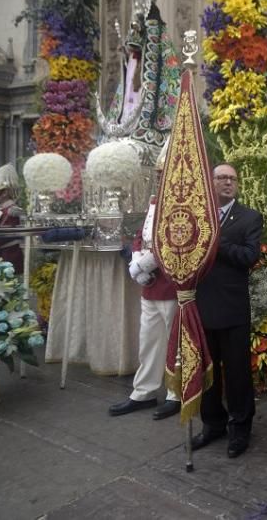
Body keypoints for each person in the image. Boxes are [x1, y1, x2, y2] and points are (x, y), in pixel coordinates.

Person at [190, 163, 264, 459]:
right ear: (211, 181)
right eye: (221, 177)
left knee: (237, 374)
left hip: (233, 309)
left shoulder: (249, 217)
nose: (227, 182)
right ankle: (213, 423)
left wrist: (215, 242)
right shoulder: (198, 216)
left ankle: (240, 427)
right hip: (202, 305)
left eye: (232, 178)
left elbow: (248, 256)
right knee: (207, 371)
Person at [109, 156, 181, 421]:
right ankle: (144, 392)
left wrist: (145, 266)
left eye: (167, 173)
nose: (162, 178)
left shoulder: (183, 204)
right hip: (149, 284)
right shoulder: (154, 201)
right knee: (148, 340)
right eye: (160, 173)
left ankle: (176, 393)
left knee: (175, 344)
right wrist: (135, 264)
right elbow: (143, 236)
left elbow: (176, 243)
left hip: (172, 283)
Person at [0, 164, 25, 273]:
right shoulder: (2, 210)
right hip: (0, 255)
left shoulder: (12, 211)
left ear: (5, 192)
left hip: (10, 256)